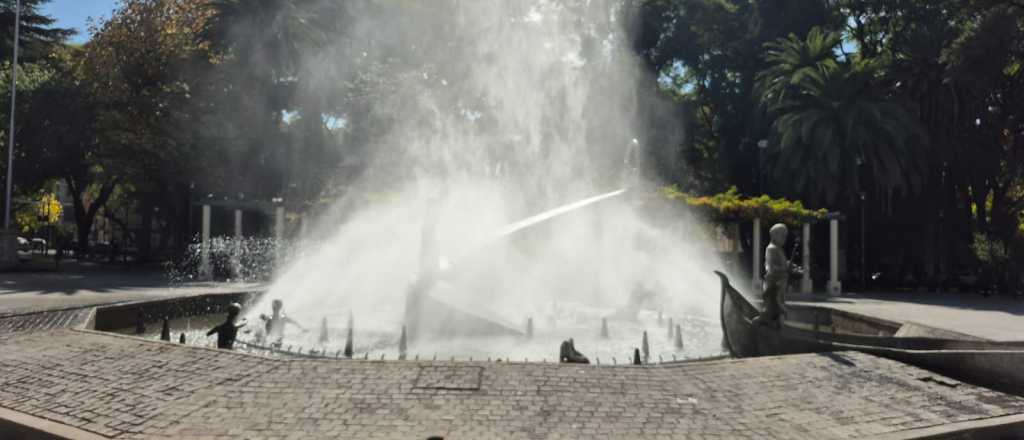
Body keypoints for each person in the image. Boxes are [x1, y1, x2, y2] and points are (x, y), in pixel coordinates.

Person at [753, 224, 801, 328]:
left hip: (780, 284)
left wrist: (790, 266)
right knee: (772, 307)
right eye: (782, 235)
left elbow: (781, 264)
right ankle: (761, 323)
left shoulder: (779, 249)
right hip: (773, 284)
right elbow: (770, 268)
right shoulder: (771, 249)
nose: (784, 239)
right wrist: (786, 269)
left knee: (778, 309)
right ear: (774, 235)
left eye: (785, 236)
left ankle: (775, 328)